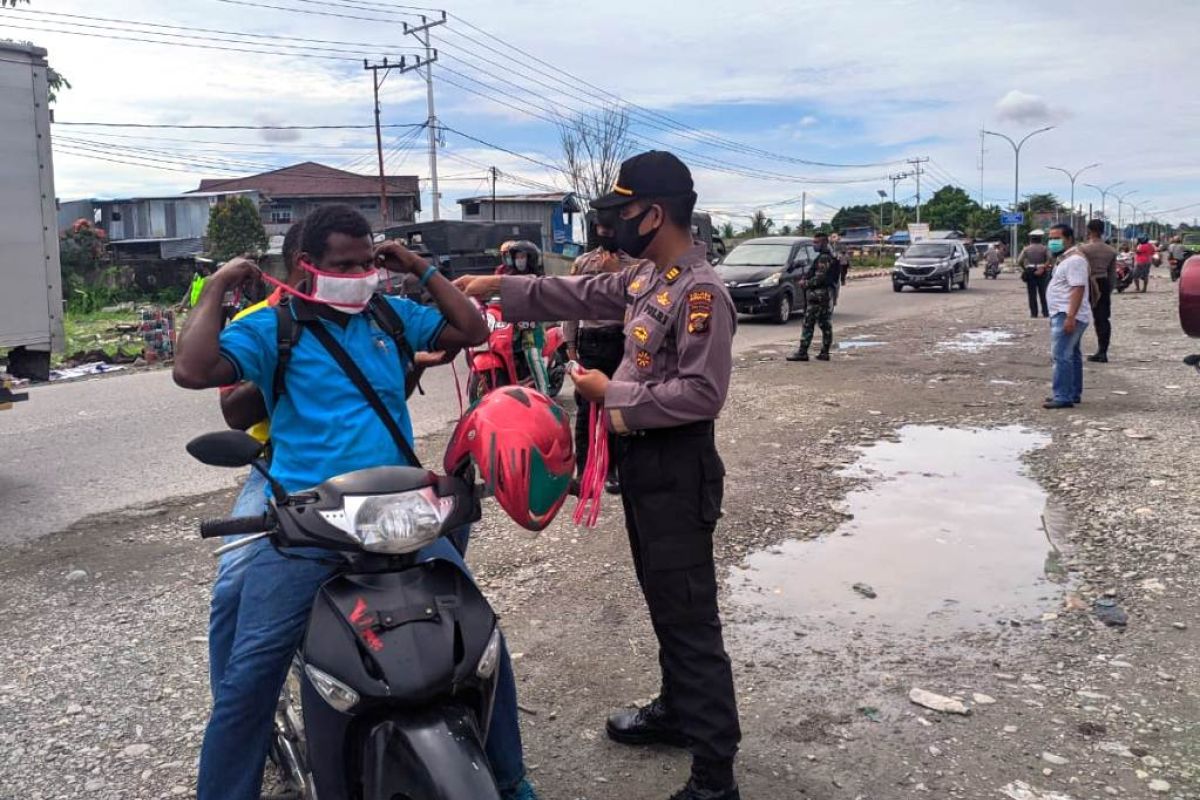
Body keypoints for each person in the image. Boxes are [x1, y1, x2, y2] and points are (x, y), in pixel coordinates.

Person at [172, 205, 540, 800]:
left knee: (480, 641)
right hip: (309, 518)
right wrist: (217, 285)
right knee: (251, 676)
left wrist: (418, 268)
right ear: (305, 266)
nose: (362, 272)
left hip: (399, 512)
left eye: (368, 260)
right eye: (347, 264)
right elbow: (191, 369)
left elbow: (472, 330)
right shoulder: (272, 326)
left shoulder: (390, 314)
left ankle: (509, 776)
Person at [455, 150, 743, 800]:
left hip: (678, 467)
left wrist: (609, 394)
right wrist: (499, 287)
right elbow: (585, 291)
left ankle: (715, 776)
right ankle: (678, 711)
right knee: (665, 603)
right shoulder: (650, 277)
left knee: (690, 618)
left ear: (657, 213)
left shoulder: (701, 291)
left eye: (625, 211)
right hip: (647, 468)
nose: (614, 225)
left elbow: (702, 393)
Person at [564, 211, 631, 494]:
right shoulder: (582, 263)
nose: (604, 232)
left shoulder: (636, 266)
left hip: (622, 339)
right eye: (600, 227)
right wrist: (569, 345)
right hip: (590, 341)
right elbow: (571, 305)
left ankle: (613, 470)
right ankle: (585, 472)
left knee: (618, 405)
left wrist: (616, 274)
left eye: (610, 227)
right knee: (586, 409)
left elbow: (642, 302)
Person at [1043, 223, 1091, 409]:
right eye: (1051, 238)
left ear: (1069, 239)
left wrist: (1071, 316)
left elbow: (1078, 288)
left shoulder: (1075, 261)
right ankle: (1071, 392)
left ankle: (1062, 396)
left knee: (1061, 356)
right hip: (1065, 313)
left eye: (1057, 238)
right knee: (1072, 354)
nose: (1053, 242)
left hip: (1067, 314)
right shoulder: (1066, 259)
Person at [787, 230, 838, 362]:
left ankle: (803, 352)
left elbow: (820, 278)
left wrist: (806, 283)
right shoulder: (828, 256)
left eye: (816, 242)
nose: (814, 245)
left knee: (808, 324)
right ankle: (824, 352)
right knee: (825, 323)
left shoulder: (824, 258)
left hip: (818, 295)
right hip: (824, 295)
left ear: (824, 243)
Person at [1078, 220, 1118, 363]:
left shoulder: (1082, 249)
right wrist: (1108, 290)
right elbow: (1112, 275)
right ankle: (1102, 352)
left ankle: (1072, 349)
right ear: (1103, 231)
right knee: (1102, 319)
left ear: (1089, 231)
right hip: (1103, 283)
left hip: (1085, 283)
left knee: (1076, 316)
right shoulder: (1111, 250)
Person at [1017, 230, 1051, 318]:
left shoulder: (1026, 249)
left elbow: (1019, 261)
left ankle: (1034, 313)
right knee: (1043, 292)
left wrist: (1025, 269)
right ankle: (1045, 312)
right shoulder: (1044, 248)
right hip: (1042, 270)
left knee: (1032, 294)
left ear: (1031, 239)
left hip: (1030, 270)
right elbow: (1050, 259)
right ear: (1040, 239)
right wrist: (1043, 267)